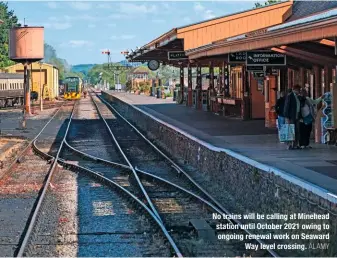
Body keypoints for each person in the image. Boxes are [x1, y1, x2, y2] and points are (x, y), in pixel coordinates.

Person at [284, 85, 302, 149]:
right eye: (298, 90)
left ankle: (295, 144)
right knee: (290, 130)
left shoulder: (298, 97)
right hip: (291, 116)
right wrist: (286, 117)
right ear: (295, 90)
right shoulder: (290, 96)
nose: (299, 91)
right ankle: (289, 145)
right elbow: (286, 106)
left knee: (297, 130)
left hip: (296, 116)